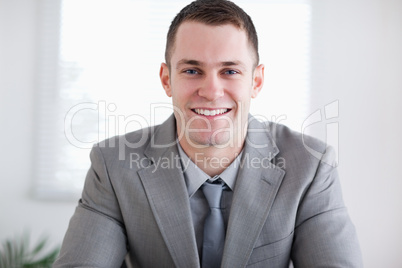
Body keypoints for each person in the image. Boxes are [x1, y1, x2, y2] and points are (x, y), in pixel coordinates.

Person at [54, 0, 363, 267]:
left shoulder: (311, 166)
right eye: (192, 70)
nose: (211, 91)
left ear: (256, 81)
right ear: (166, 79)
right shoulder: (113, 167)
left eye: (230, 71)